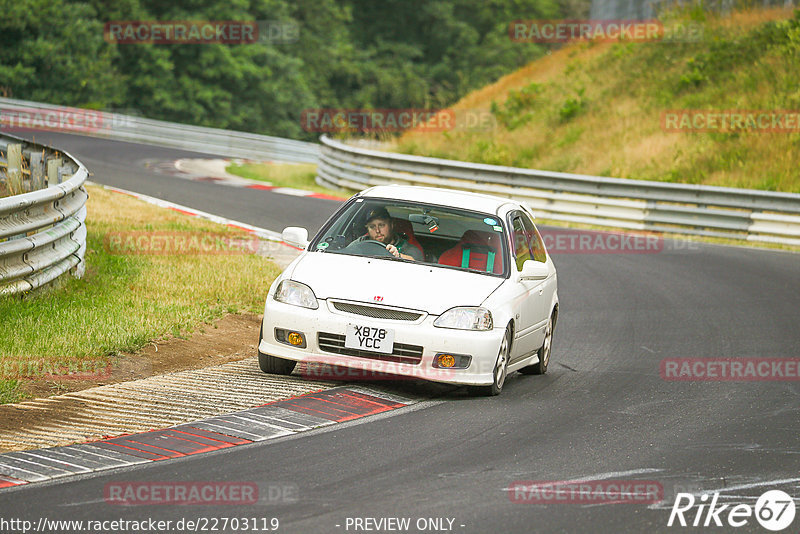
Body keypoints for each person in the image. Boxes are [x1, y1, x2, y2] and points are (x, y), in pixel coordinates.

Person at [354, 207, 423, 261]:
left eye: (381, 225)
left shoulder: (407, 247)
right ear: (367, 229)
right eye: (372, 227)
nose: (377, 231)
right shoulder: (361, 242)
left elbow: (417, 263)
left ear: (391, 225)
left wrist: (398, 256)